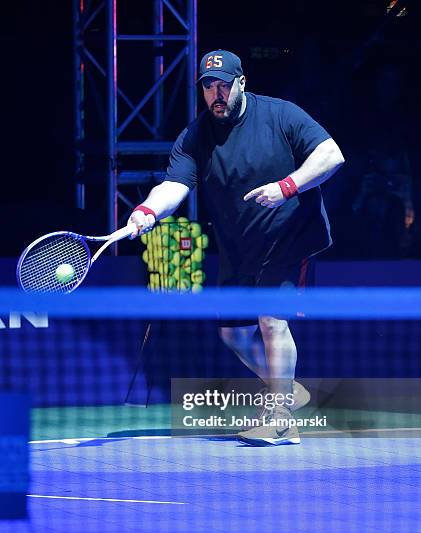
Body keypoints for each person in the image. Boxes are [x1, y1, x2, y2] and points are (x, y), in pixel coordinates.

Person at [128, 49, 345, 446]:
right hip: (238, 245)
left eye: (223, 84)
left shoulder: (281, 116)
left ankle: (279, 417)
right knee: (233, 333)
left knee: (270, 319)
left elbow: (331, 155)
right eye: (209, 87)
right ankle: (286, 391)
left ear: (242, 82)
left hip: (289, 233)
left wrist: (287, 187)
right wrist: (146, 211)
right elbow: (175, 185)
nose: (216, 94)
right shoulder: (195, 137)